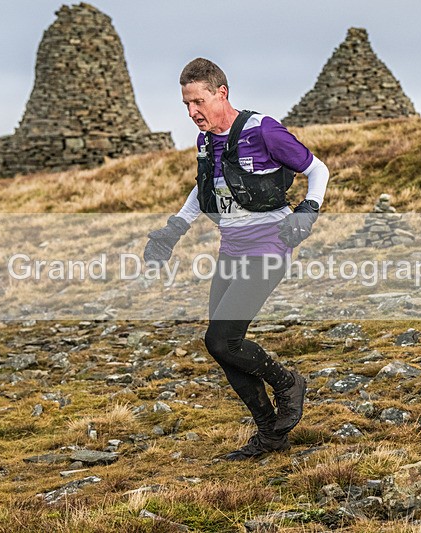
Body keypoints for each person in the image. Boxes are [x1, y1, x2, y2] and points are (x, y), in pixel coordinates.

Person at [144, 58, 330, 460]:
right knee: (223, 345)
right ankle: (270, 436)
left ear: (220, 93)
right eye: (185, 105)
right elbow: (203, 190)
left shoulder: (261, 129)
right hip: (231, 249)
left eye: (198, 102)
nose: (192, 113)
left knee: (220, 338)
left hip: (270, 246)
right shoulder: (206, 140)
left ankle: (287, 383)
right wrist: (173, 229)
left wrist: (309, 210)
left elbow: (318, 169)